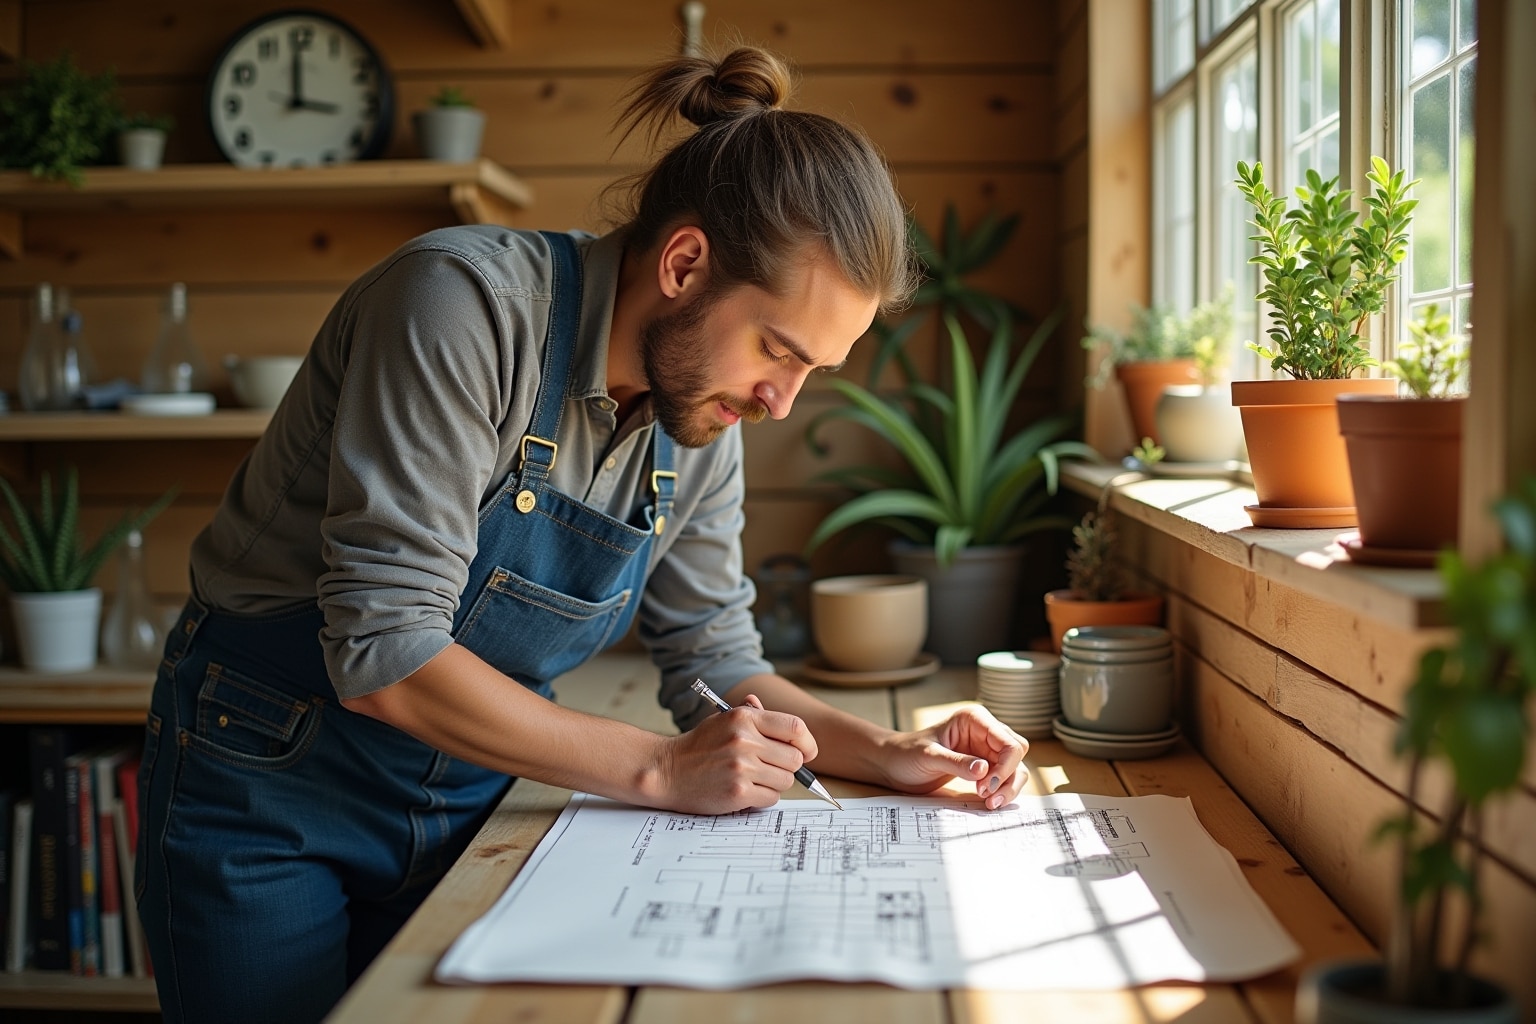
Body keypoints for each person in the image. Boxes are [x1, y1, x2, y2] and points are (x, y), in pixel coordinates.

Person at [135, 45, 1030, 1024]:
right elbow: (384, 649)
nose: (782, 402)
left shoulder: (701, 416)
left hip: (479, 792)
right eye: (779, 350)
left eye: (814, 368)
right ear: (684, 262)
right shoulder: (461, 307)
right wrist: (656, 767)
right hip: (270, 774)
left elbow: (714, 656)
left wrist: (885, 747)